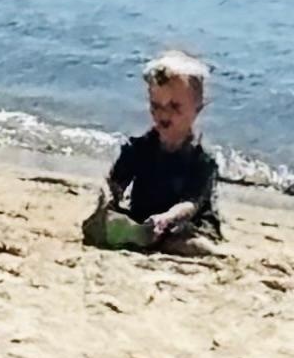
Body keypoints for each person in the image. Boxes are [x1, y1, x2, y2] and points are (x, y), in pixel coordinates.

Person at [83, 49, 221, 250]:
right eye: (156, 106)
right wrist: (108, 199)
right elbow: (115, 184)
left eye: (175, 107)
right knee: (100, 227)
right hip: (144, 218)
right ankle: (140, 236)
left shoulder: (201, 160)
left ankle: (153, 238)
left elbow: (191, 203)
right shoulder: (138, 148)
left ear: (197, 110)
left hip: (185, 224)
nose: (164, 114)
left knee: (194, 244)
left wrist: (167, 218)